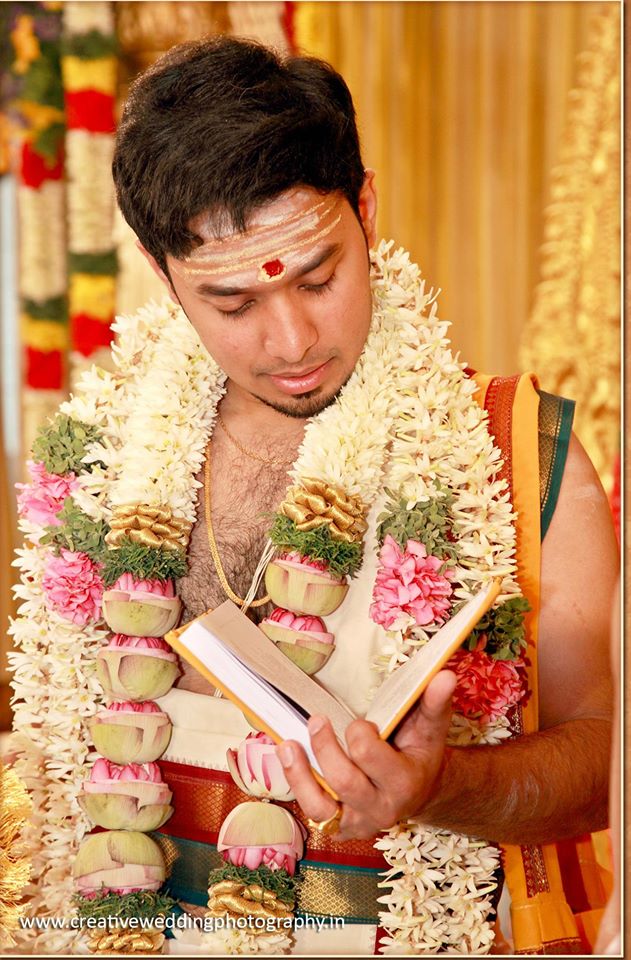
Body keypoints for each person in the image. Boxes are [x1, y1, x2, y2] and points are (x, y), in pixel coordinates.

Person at [11, 35, 617, 956]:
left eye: (319, 277)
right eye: (234, 303)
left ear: (365, 208)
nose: (292, 339)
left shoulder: (515, 455)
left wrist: (442, 785)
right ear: (159, 269)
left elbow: (607, 762)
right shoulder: (95, 463)